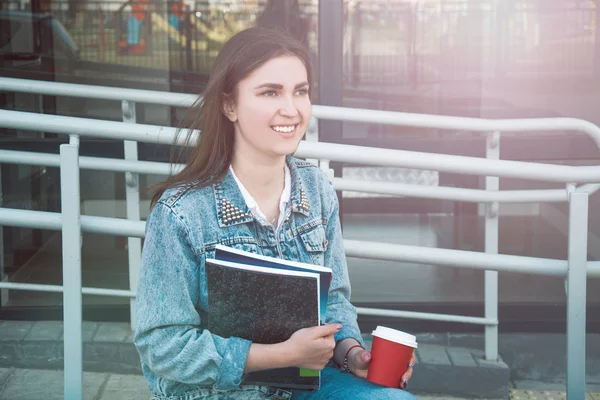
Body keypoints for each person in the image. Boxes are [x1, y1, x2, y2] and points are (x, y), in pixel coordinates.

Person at [134, 27, 417, 400]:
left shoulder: (317, 189)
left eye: (300, 91)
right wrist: (277, 355)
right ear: (229, 105)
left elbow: (333, 302)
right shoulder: (180, 213)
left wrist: (351, 353)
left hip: (306, 384)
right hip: (217, 392)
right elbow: (162, 345)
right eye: (270, 92)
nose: (291, 109)